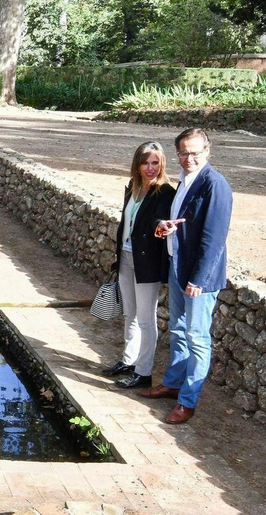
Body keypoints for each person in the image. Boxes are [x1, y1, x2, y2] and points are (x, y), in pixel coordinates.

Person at [143, 127, 233, 424]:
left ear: (207, 151)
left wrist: (199, 280)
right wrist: (164, 225)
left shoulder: (215, 185)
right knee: (178, 330)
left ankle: (187, 401)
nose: (189, 158)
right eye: (183, 153)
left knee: (197, 337)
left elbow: (214, 238)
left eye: (195, 152)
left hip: (198, 278)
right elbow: (182, 222)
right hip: (178, 267)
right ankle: (172, 384)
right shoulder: (184, 181)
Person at [100, 142, 176, 389]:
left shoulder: (164, 191)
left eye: (155, 163)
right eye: (146, 163)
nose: (150, 168)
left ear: (162, 164)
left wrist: (161, 225)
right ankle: (128, 361)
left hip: (147, 262)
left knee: (145, 318)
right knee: (129, 314)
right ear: (137, 164)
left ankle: (144, 373)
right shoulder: (133, 186)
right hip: (126, 257)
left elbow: (159, 217)